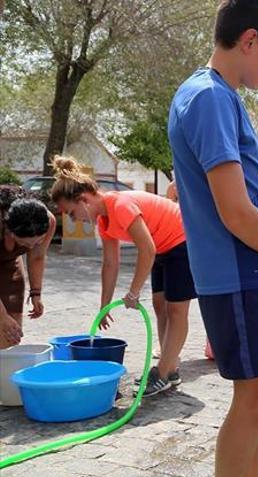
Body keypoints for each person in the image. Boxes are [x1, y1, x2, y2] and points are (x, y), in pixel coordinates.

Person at [167, 1, 258, 477]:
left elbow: (248, 197)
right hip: (236, 271)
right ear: (249, 39)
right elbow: (234, 210)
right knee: (252, 400)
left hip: (252, 269)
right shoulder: (208, 97)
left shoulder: (222, 97)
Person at [49, 156, 195, 397]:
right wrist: (104, 306)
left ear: (84, 200)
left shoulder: (120, 205)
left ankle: (164, 370)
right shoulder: (104, 220)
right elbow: (110, 263)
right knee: (160, 305)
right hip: (163, 246)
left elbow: (146, 249)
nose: (75, 219)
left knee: (176, 309)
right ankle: (172, 366)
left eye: (72, 213)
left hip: (183, 240)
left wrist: (134, 292)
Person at [0, 185, 55, 349]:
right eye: (23, 243)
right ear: (10, 231)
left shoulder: (48, 221)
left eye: (37, 242)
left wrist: (36, 292)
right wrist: (2, 315)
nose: (30, 248)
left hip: (10, 264)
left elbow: (37, 256)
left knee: (9, 332)